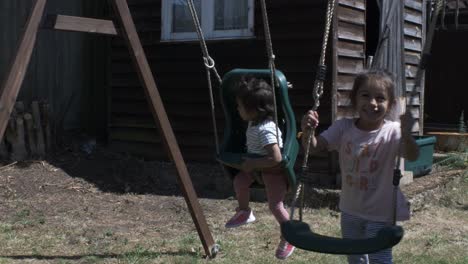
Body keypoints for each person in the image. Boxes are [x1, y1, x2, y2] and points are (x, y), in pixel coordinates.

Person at [301, 70, 419, 264]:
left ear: (390, 105)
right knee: (355, 259)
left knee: (379, 259)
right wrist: (307, 131)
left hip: (381, 213)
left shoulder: (392, 131)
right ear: (354, 99)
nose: (372, 103)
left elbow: (413, 155)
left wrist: (407, 134)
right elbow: (313, 148)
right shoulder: (343, 128)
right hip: (350, 210)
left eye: (380, 98)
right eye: (365, 95)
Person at [225, 76, 295, 260]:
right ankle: (244, 211)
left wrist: (254, 163)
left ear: (254, 110)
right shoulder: (254, 121)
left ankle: (289, 236)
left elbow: (276, 158)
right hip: (257, 169)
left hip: (274, 172)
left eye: (240, 106)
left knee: (275, 206)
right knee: (239, 181)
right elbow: (264, 98)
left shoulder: (265, 129)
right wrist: (280, 90)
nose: (238, 109)